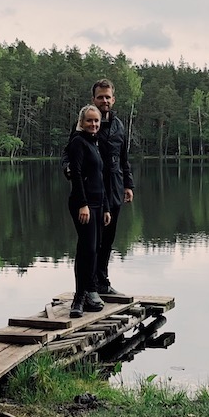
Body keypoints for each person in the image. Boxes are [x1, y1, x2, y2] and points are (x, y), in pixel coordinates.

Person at [63, 104, 111, 318]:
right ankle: (79, 298)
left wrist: (106, 208)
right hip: (83, 205)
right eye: (89, 121)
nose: (93, 124)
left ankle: (90, 293)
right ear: (81, 122)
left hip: (99, 205)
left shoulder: (97, 143)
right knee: (87, 249)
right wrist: (83, 204)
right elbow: (76, 174)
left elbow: (101, 179)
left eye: (96, 121)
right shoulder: (77, 143)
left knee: (95, 249)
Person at [91, 79, 134, 295]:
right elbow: (69, 154)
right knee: (92, 241)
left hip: (115, 189)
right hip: (94, 191)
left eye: (108, 97)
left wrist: (128, 185)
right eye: (100, 97)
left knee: (108, 240)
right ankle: (89, 287)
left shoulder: (119, 125)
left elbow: (124, 158)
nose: (104, 100)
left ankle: (103, 283)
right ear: (94, 99)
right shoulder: (88, 123)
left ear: (113, 99)